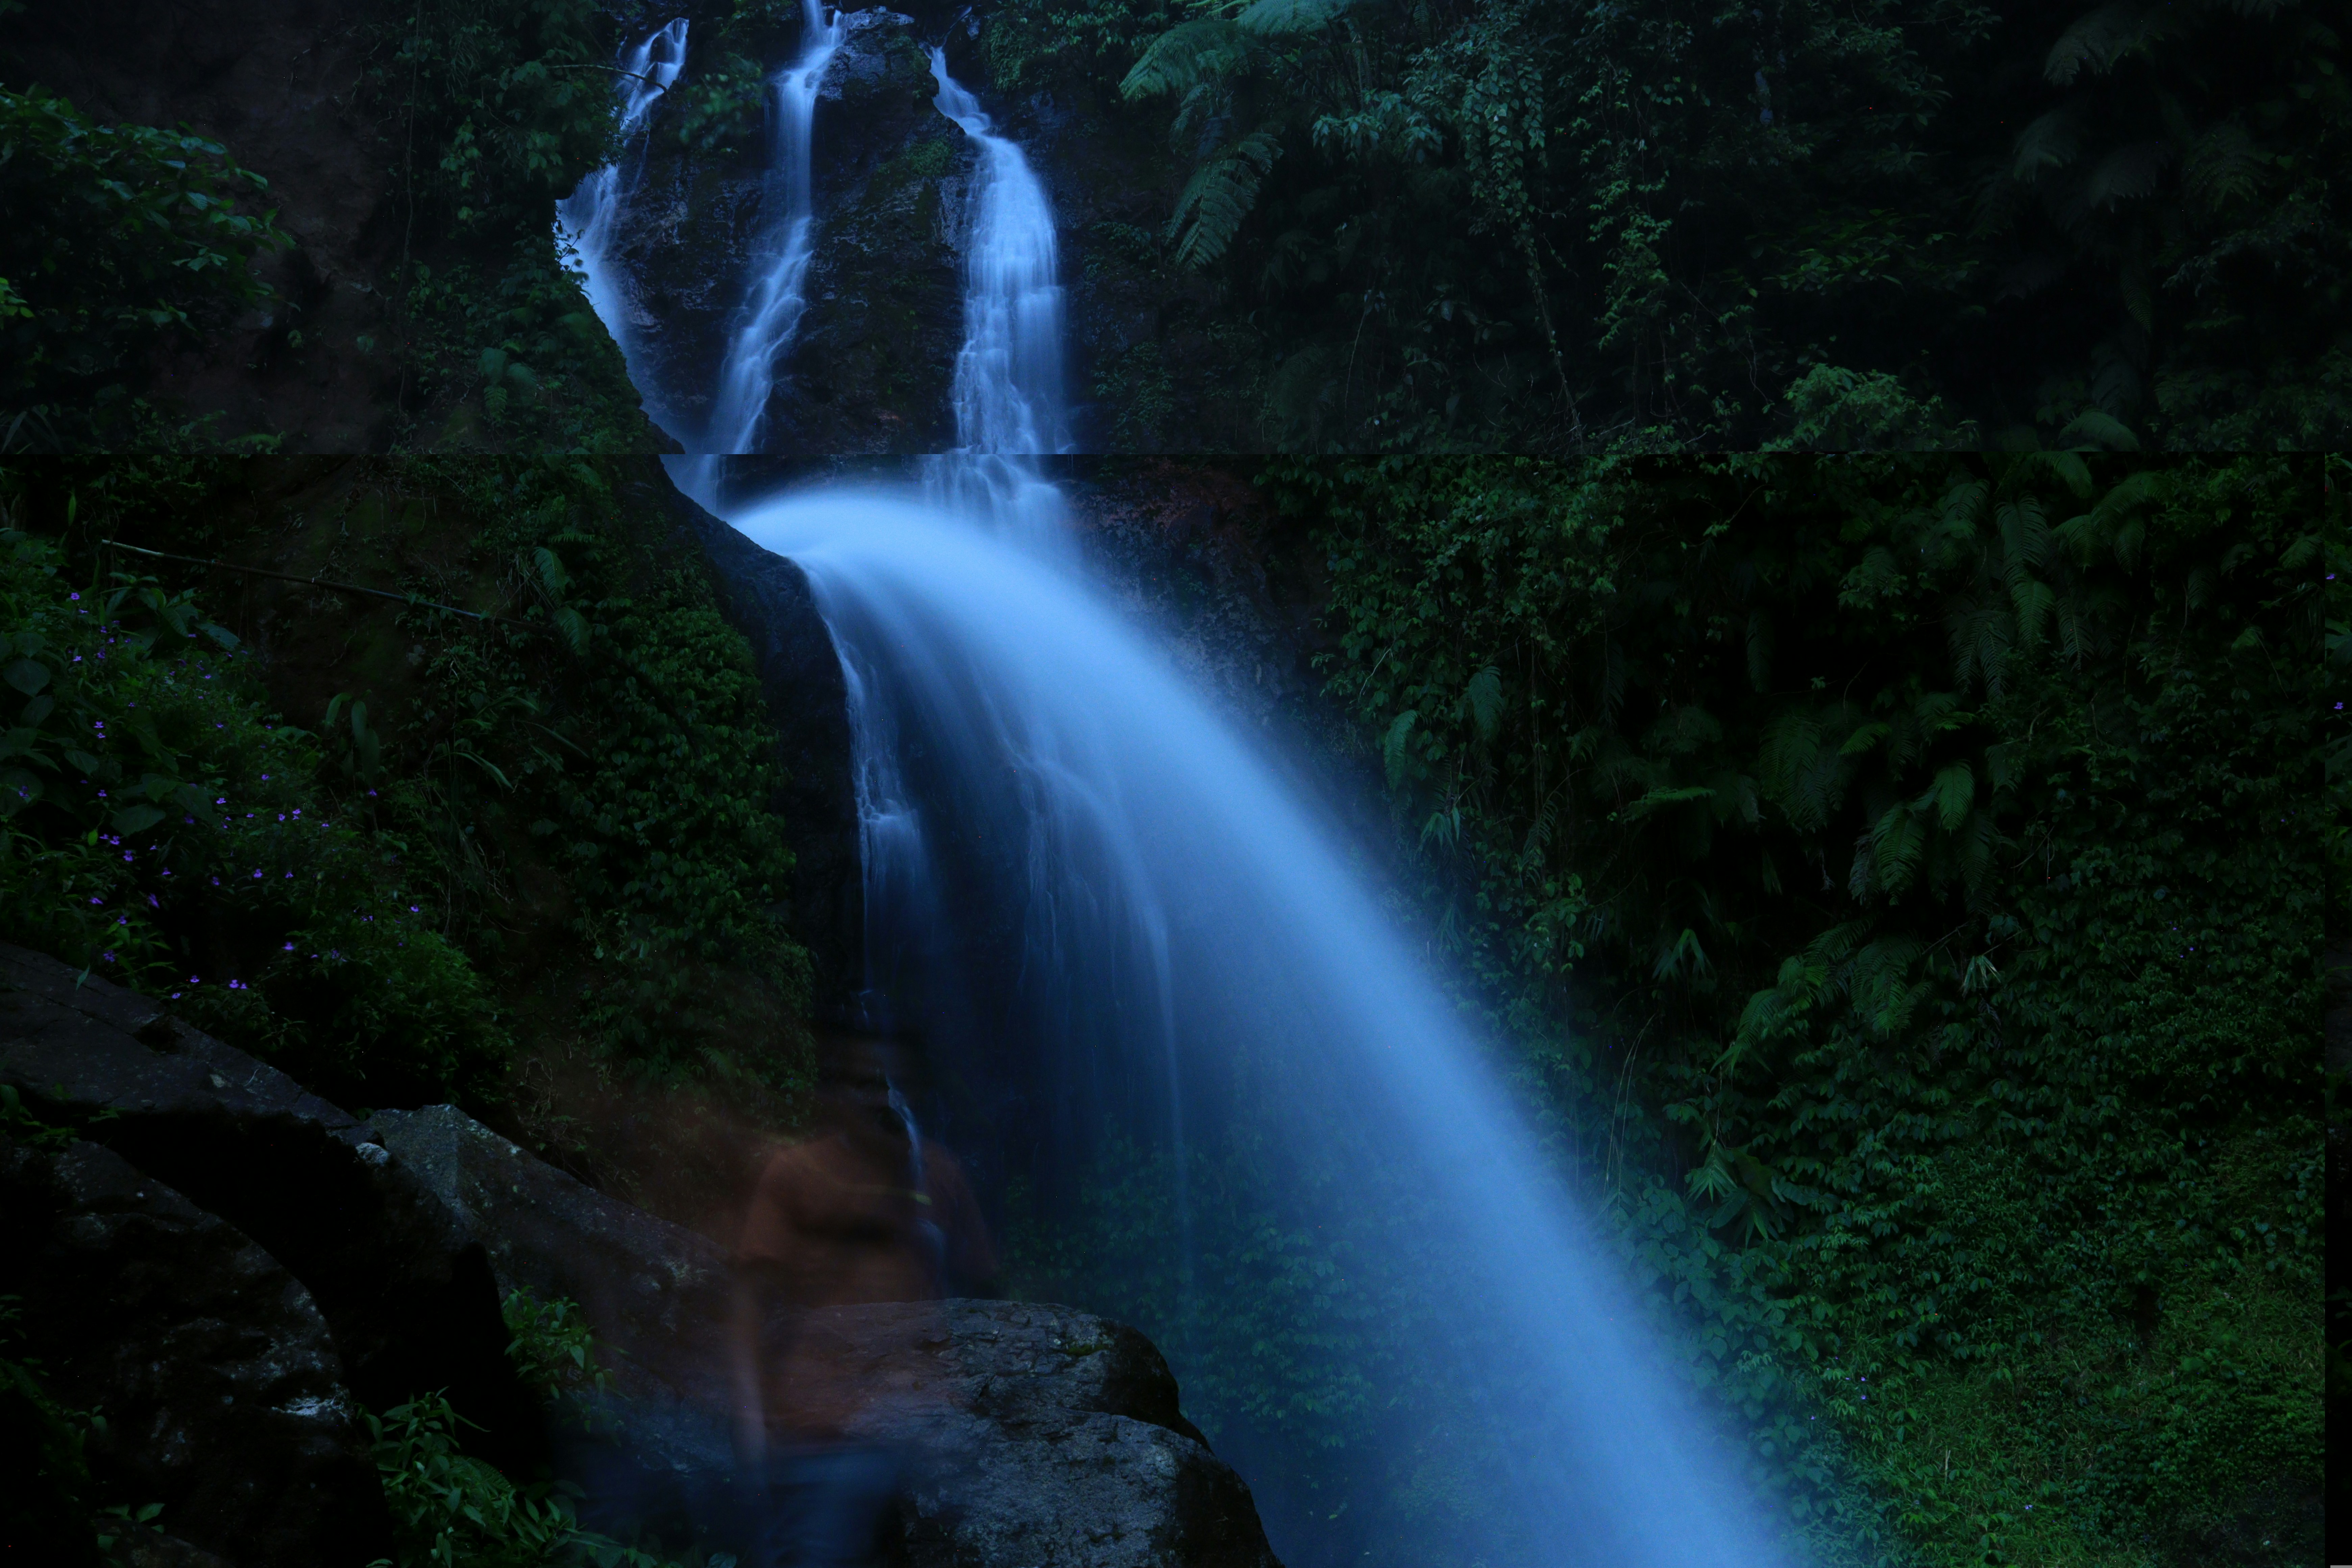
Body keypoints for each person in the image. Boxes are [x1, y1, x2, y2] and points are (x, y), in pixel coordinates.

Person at [728, 1029, 996, 1568]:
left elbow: (987, 1289)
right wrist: (750, 1416)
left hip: (927, 1430)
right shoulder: (798, 1172)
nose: (883, 1099)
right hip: (827, 1436)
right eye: (866, 1084)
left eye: (894, 1085)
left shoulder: (939, 1175)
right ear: (834, 1096)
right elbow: (748, 1299)